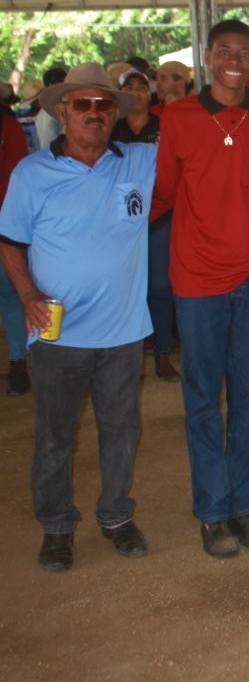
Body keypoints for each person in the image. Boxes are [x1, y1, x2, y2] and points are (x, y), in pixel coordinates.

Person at [0, 63, 155, 572]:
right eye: (82, 104)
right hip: (57, 333)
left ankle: (116, 515)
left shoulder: (139, 162)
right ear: (63, 112)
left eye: (103, 104)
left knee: (121, 430)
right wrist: (27, 295)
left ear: (115, 113)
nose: (94, 113)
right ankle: (56, 526)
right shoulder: (32, 174)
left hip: (123, 331)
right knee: (54, 436)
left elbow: (196, 147)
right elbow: (11, 243)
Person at [153, 19, 249, 559]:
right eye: (225, 51)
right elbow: (163, 193)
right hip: (197, 282)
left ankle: (241, 505)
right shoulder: (179, 118)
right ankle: (212, 511)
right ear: (209, 57)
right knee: (202, 400)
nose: (234, 61)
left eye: (244, 53)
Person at [112, 69, 180, 384]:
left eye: (142, 86)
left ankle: (163, 353)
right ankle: (131, 356)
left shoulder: (165, 124)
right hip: (118, 218)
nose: (137, 92)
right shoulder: (110, 129)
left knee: (160, 285)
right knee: (125, 285)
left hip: (160, 214)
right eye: (129, 87)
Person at [0, 88, 30, 395]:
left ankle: (19, 360)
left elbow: (16, 172)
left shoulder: (8, 126)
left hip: (4, 222)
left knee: (9, 295)